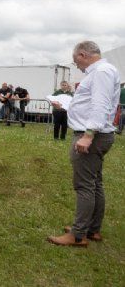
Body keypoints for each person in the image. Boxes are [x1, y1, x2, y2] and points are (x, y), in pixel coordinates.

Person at [48, 41, 120, 247]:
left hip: (92, 136)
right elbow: (92, 103)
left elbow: (100, 105)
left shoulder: (101, 72)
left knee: (85, 185)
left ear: (82, 54)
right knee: (95, 182)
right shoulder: (103, 71)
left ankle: (79, 235)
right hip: (97, 134)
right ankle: (92, 228)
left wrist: (88, 135)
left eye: (75, 61)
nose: (77, 66)